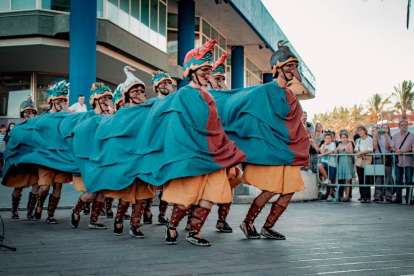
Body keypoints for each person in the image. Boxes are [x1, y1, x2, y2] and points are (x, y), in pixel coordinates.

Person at [161, 40, 245, 246]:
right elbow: (176, 126)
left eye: (209, 70)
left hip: (214, 153)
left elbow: (217, 126)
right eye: (204, 70)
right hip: (192, 153)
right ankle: (171, 227)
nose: (208, 74)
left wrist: (227, 148)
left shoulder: (209, 96)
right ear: (192, 71)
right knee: (186, 196)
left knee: (212, 194)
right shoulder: (182, 94)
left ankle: (194, 232)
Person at [239, 40, 308, 240]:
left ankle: (268, 227)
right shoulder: (264, 90)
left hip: (287, 150)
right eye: (289, 66)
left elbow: (295, 122)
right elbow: (248, 112)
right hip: (272, 149)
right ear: (278, 68)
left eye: (294, 67)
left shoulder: (290, 94)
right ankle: (247, 222)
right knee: (270, 190)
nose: (293, 71)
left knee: (290, 190)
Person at [105, 66, 153, 239]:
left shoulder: (148, 111)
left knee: (141, 196)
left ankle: (135, 225)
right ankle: (118, 220)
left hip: (143, 158)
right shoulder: (122, 113)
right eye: (135, 91)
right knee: (126, 195)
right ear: (127, 94)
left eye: (141, 90)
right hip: (126, 159)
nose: (138, 93)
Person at [69, 82, 114, 230]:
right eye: (104, 99)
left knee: (102, 192)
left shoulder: (110, 117)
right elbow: (80, 135)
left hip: (105, 159)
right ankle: (76, 210)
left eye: (108, 99)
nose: (107, 103)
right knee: (91, 192)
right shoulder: (87, 116)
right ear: (96, 101)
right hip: (91, 159)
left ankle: (93, 221)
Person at [35, 80, 72, 223]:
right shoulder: (42, 118)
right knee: (44, 187)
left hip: (61, 157)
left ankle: (51, 214)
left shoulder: (67, 117)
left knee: (58, 186)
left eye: (63, 100)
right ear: (52, 100)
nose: (60, 102)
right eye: (58, 100)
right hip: (46, 157)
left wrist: (67, 111)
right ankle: (39, 204)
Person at [142, 70, 175, 226]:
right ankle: (147, 210)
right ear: (156, 87)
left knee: (167, 183)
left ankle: (162, 213)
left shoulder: (177, 101)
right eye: (162, 83)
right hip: (154, 147)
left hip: (171, 147)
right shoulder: (150, 104)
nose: (165, 85)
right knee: (151, 181)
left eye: (168, 82)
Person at [3, 97, 39, 219]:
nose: (30, 114)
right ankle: (14, 211)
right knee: (18, 187)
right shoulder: (17, 128)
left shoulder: (38, 128)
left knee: (36, 186)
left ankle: (30, 211)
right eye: (27, 112)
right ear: (22, 113)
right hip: (21, 162)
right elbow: (10, 146)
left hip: (34, 162)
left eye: (32, 112)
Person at [390, 120, 414, 204]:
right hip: (398, 161)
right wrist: (396, 150)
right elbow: (392, 146)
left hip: (408, 161)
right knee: (398, 179)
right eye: (402, 125)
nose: (404, 126)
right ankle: (398, 197)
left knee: (409, 180)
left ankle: (409, 197)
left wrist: (404, 151)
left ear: (407, 126)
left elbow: (413, 147)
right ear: (399, 127)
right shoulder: (395, 136)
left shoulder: (412, 136)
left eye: (405, 125)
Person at [372, 126, 392, 202]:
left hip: (386, 158)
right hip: (378, 159)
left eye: (386, 128)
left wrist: (386, 138)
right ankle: (378, 195)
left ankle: (388, 196)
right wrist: (375, 138)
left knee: (388, 178)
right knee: (378, 178)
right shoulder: (375, 138)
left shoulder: (388, 137)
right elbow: (375, 147)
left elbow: (387, 148)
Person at [354, 125, 374, 203]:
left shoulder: (370, 139)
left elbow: (370, 149)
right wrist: (359, 153)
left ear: (364, 131)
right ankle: (362, 196)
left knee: (367, 179)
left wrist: (361, 153)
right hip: (360, 160)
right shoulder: (358, 140)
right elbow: (356, 149)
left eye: (361, 130)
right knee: (361, 179)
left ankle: (368, 196)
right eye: (358, 130)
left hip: (367, 160)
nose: (360, 132)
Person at [318, 132, 337, 201]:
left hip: (332, 163)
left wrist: (322, 155)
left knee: (332, 180)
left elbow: (331, 151)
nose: (328, 139)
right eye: (326, 138)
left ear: (331, 139)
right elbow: (322, 152)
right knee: (320, 165)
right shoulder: (323, 145)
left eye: (329, 138)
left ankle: (331, 195)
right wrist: (325, 145)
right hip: (325, 162)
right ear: (324, 139)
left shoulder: (333, 144)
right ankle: (326, 178)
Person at [335, 132, 354, 202]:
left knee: (348, 180)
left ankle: (347, 195)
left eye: (345, 137)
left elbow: (351, 152)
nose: (344, 139)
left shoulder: (349, 143)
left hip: (348, 162)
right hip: (341, 163)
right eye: (342, 137)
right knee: (343, 180)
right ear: (340, 138)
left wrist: (343, 149)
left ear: (347, 138)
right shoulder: (339, 144)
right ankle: (344, 195)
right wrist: (336, 150)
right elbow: (336, 152)